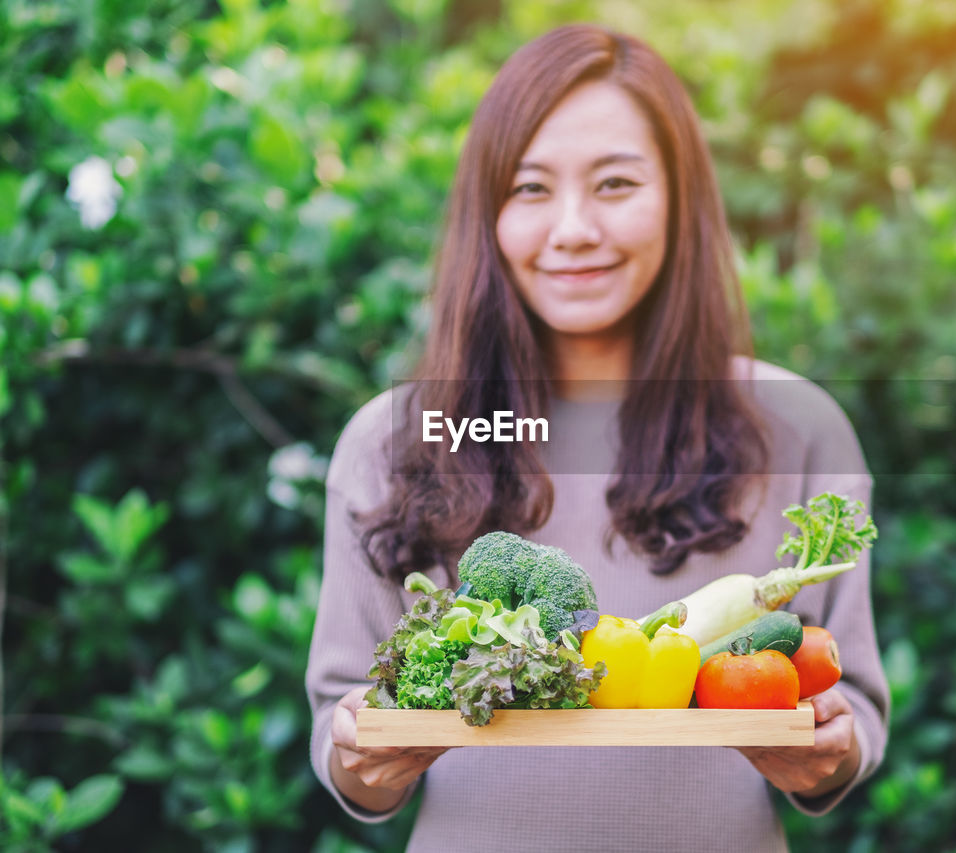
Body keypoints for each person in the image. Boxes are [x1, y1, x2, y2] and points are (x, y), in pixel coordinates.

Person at [306, 23, 888, 852]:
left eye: (615, 183)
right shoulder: (394, 438)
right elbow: (342, 717)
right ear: (488, 213)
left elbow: (852, 706)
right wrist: (366, 760)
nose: (573, 229)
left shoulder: (797, 428)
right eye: (531, 188)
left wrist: (827, 753)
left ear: (679, 198)